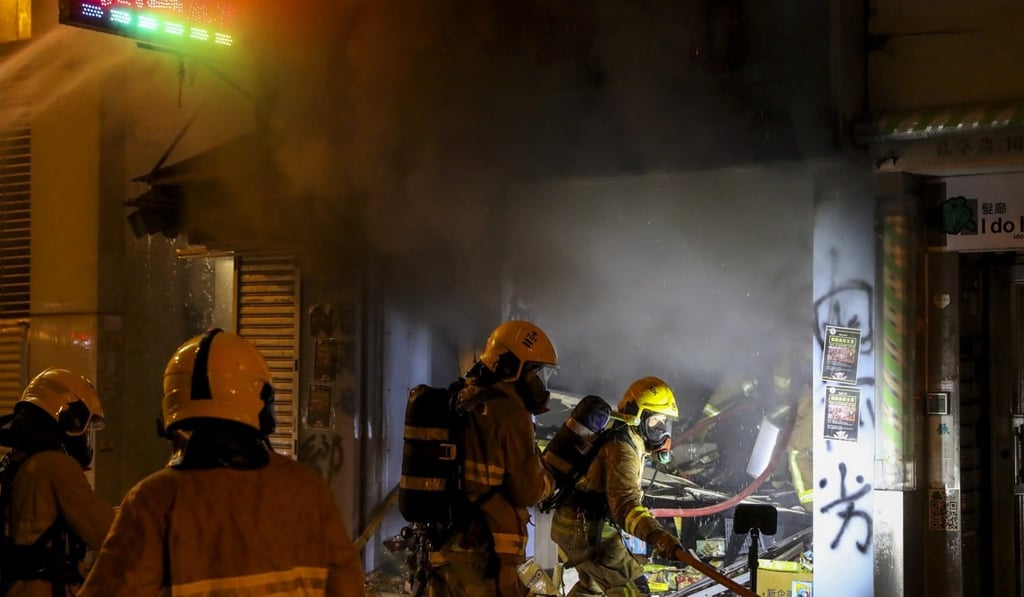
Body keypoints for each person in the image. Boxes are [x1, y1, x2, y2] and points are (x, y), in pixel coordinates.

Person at [79, 328, 366, 596]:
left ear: (170, 416)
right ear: (264, 405)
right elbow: (347, 586)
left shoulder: (153, 501)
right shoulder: (307, 490)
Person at [428, 320, 558, 597]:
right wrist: (550, 481)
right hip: (487, 551)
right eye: (535, 372)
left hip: (445, 550)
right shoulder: (510, 411)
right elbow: (527, 491)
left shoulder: (464, 398)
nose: (538, 382)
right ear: (510, 366)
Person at [550, 376, 683, 597]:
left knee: (590, 587)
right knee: (633, 588)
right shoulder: (622, 449)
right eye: (656, 422)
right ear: (638, 417)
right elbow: (625, 506)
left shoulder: (627, 441)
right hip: (587, 533)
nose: (662, 430)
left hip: (575, 528)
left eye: (665, 423)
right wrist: (659, 536)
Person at [0, 367, 114, 597]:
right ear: (69, 419)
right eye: (86, 427)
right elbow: (103, 530)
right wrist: (144, 510)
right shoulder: (56, 466)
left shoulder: (20, 462)